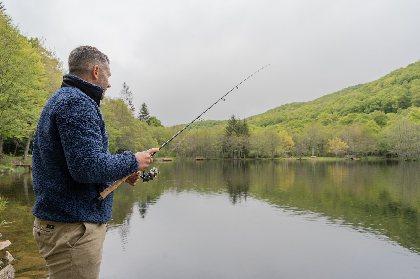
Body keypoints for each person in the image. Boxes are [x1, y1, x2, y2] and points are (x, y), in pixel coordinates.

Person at [31, 45, 159, 279]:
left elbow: (76, 164)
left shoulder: (66, 98)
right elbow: (87, 167)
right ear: (96, 71)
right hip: (72, 228)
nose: (109, 84)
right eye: (109, 76)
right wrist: (133, 160)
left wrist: (124, 170)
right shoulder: (77, 103)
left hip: (65, 223)